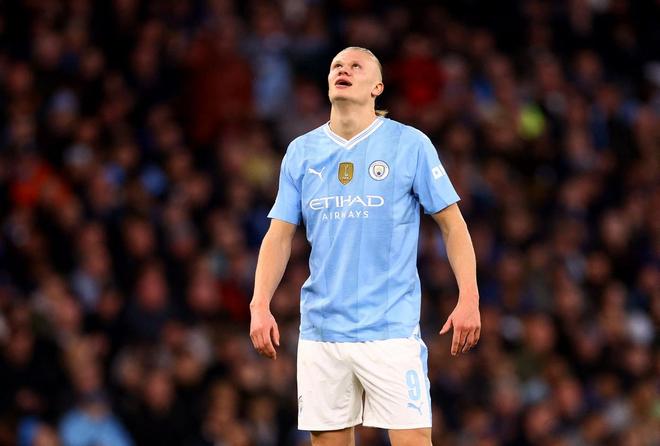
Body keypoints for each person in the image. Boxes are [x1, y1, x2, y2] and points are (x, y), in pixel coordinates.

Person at [250, 47, 481, 446]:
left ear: (377, 87)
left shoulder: (409, 144)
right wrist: (259, 304)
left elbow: (453, 225)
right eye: (337, 66)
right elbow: (279, 235)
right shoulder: (302, 152)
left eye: (356, 66)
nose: (344, 70)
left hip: (391, 329)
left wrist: (469, 298)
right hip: (323, 331)